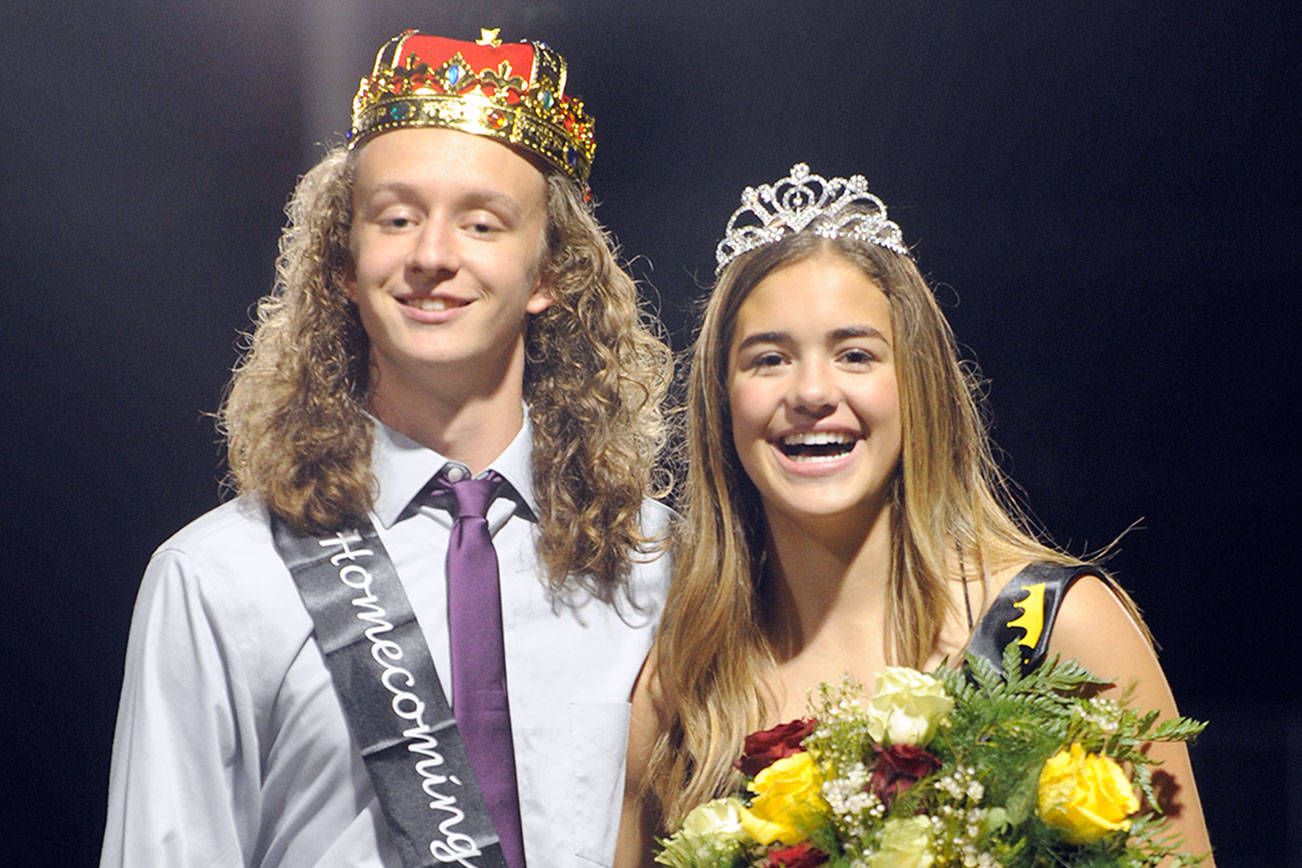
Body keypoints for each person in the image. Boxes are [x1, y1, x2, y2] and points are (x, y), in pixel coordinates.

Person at [102, 28, 673, 867]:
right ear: (344, 261)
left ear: (551, 273)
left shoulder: (659, 564)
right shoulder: (219, 577)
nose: (431, 256)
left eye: (482, 223)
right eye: (397, 218)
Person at [616, 164, 1212, 864]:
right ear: (722, 401)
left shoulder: (1059, 628)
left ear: (917, 384)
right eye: (769, 359)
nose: (812, 392)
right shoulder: (684, 682)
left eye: (855, 354)